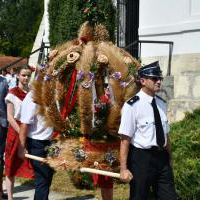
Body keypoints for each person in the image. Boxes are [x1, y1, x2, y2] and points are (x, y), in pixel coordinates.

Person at [118, 61, 177, 200]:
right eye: (154, 78)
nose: (159, 82)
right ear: (143, 81)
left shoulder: (161, 103)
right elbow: (125, 139)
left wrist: (170, 157)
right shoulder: (132, 106)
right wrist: (123, 168)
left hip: (162, 159)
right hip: (142, 159)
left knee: (169, 196)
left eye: (160, 78)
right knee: (139, 196)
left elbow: (165, 134)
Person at [4, 65, 34, 200]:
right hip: (15, 130)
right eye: (23, 75)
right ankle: (10, 197)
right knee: (10, 166)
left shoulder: (32, 93)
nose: (26, 78)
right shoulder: (12, 93)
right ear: (17, 76)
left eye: (28, 75)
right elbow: (10, 117)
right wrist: (21, 131)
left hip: (29, 130)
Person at [18, 90, 54, 200]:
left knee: (46, 179)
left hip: (50, 143)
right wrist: (21, 147)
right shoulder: (32, 95)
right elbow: (24, 124)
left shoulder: (53, 92)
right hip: (36, 143)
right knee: (42, 179)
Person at [0, 75, 8, 200]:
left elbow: (6, 102)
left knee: (0, 158)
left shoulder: (4, 81)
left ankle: (0, 191)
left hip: (1, 123)